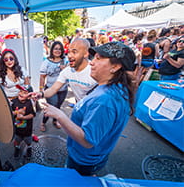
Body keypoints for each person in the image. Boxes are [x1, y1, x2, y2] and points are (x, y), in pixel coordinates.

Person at [42, 41, 136, 176]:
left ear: (115, 67)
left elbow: (87, 140)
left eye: (98, 58)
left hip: (84, 160)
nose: (92, 62)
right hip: (94, 157)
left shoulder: (104, 101)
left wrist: (60, 116)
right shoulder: (114, 88)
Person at [32, 38, 97, 104]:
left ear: (85, 54)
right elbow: (53, 89)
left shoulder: (95, 70)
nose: (69, 55)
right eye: (68, 52)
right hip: (80, 106)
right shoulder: (67, 71)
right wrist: (40, 94)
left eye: (74, 52)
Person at [39, 41, 68, 132]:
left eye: (60, 49)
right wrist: (41, 89)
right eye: (56, 48)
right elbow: (42, 77)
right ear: (52, 50)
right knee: (52, 106)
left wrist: (65, 70)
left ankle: (55, 121)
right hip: (51, 89)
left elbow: (72, 72)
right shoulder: (47, 62)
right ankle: (43, 122)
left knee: (58, 106)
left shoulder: (65, 60)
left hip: (63, 89)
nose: (58, 50)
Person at [11, 84, 36, 159]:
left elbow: (33, 114)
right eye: (20, 91)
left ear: (29, 96)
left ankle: (29, 147)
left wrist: (23, 117)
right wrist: (17, 112)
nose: (21, 93)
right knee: (17, 139)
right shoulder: (13, 101)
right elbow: (8, 112)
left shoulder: (30, 103)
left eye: (24, 93)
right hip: (17, 128)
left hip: (27, 129)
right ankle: (17, 147)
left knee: (28, 140)